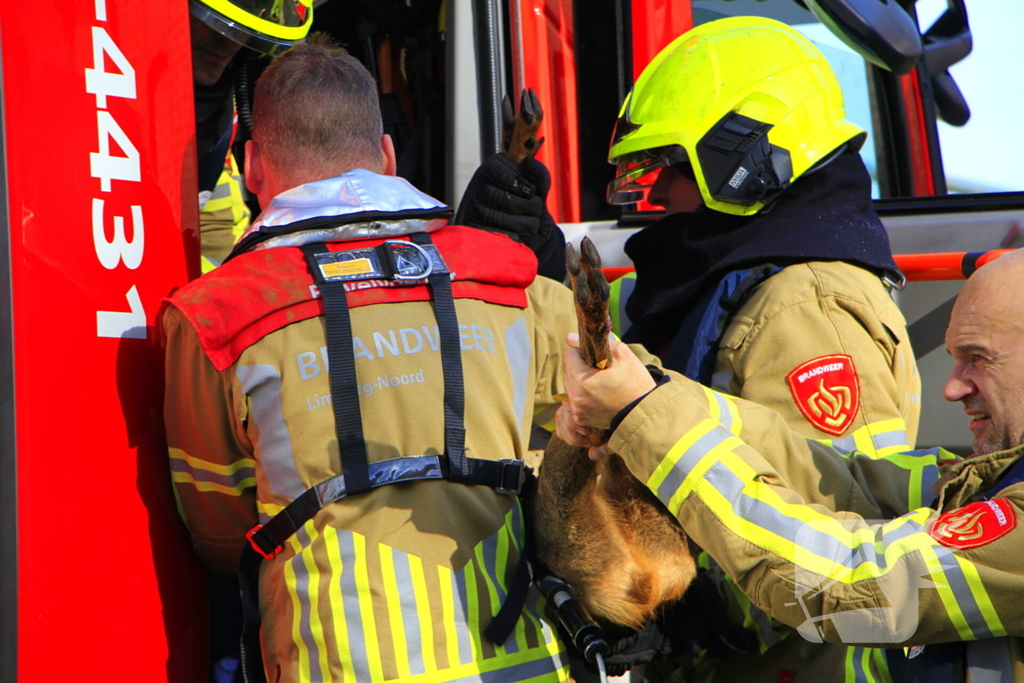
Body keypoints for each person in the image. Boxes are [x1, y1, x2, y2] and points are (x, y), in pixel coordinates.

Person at [465, 16, 924, 679]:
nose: (658, 194)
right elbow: (615, 363)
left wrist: (689, 613)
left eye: (671, 169)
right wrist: (530, 264)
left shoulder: (804, 307)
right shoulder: (717, 284)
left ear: (746, 164)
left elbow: (850, 525)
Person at [163, 37, 576, 682]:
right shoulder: (509, 280)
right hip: (525, 662)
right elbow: (622, 401)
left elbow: (217, 530)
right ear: (386, 156)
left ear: (251, 166)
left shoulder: (214, 316)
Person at [558, 248, 1024, 681]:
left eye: (978, 359)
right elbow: (842, 480)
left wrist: (646, 420)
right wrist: (647, 395)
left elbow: (844, 582)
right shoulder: (998, 478)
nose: (954, 387)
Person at [189, 0, 314, 272]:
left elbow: (218, 225)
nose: (229, 42)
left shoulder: (219, 110)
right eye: (212, 20)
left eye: (251, 15)